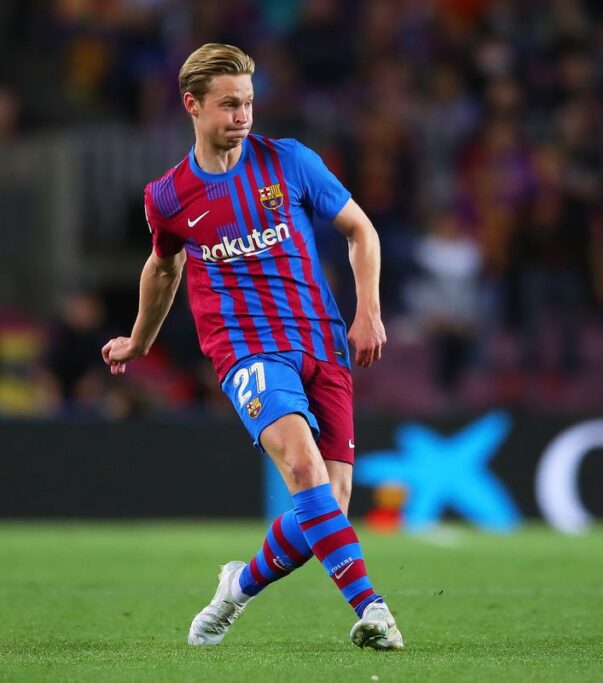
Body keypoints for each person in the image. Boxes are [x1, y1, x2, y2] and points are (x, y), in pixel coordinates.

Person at [100, 44, 403, 651]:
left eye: (248, 103)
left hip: (321, 340)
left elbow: (360, 230)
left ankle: (236, 589)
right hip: (247, 349)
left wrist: (368, 310)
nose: (242, 116)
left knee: (330, 502)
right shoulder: (169, 196)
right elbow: (164, 267)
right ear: (192, 105)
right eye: (229, 105)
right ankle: (372, 609)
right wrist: (139, 339)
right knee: (302, 467)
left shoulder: (290, 161)